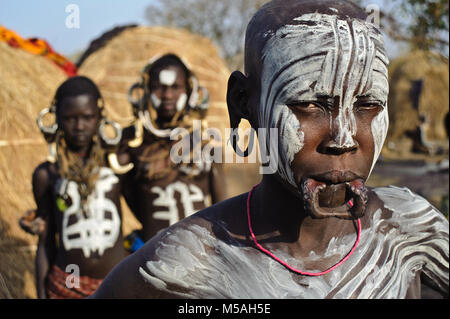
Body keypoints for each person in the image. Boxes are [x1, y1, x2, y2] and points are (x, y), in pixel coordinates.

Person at [91, 0, 449, 299]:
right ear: (244, 102)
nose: (343, 137)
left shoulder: (410, 232)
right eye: (310, 104)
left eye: (367, 104)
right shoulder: (192, 263)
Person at [30, 76, 133, 298]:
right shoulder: (46, 174)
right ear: (56, 119)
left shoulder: (117, 164)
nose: (79, 126)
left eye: (87, 117)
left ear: (99, 117)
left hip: (114, 284)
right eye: (70, 118)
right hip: (66, 287)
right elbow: (45, 243)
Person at [119, 53, 226, 246]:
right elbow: (126, 195)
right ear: (146, 90)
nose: (167, 95)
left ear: (190, 91)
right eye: (159, 88)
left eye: (175, 87)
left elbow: (223, 207)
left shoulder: (204, 140)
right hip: (155, 252)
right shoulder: (134, 141)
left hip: (201, 253)